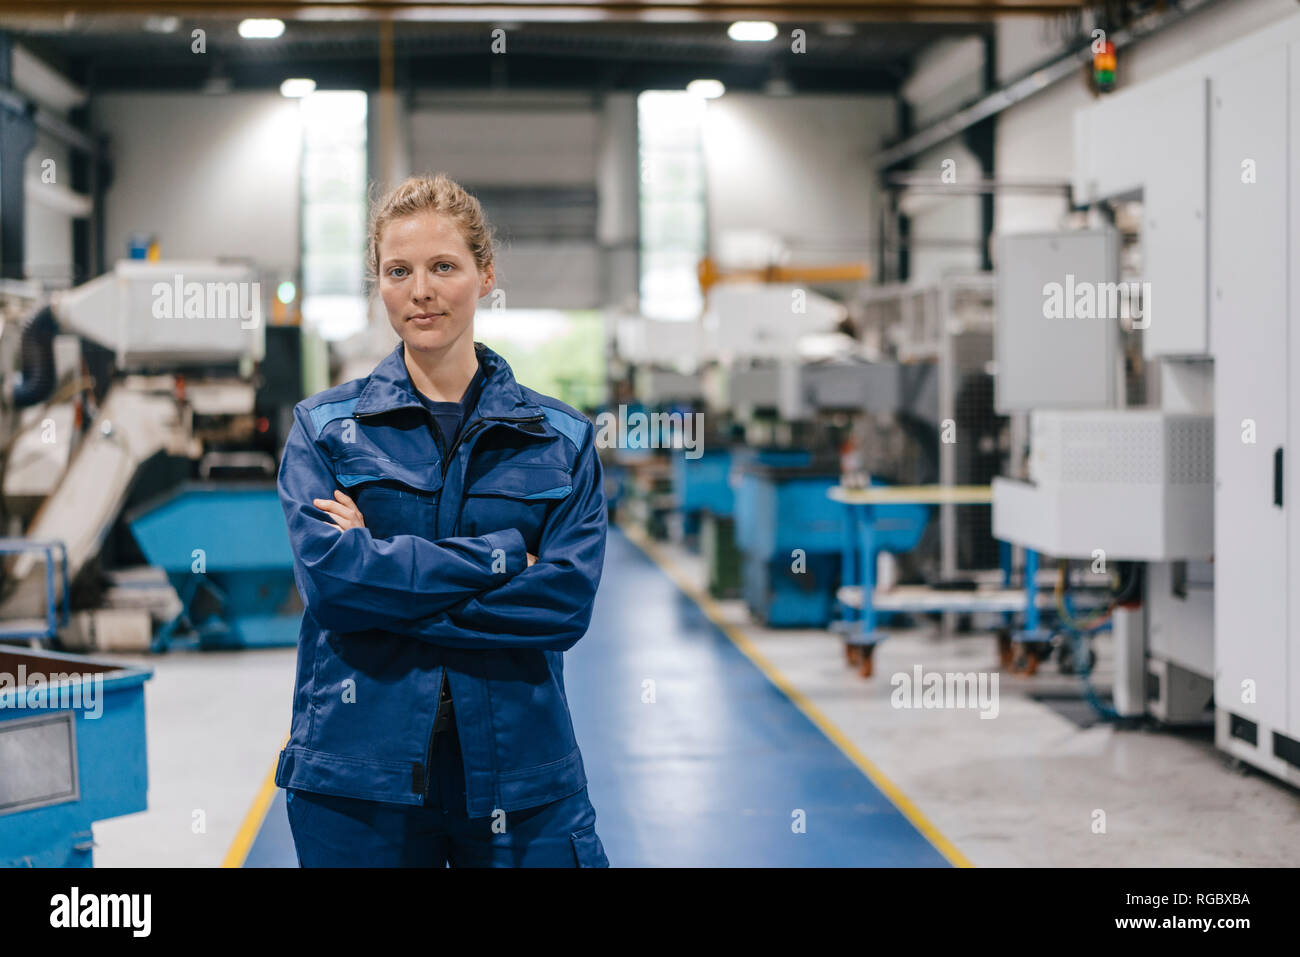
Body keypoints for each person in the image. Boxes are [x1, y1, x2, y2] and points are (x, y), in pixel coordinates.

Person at [274, 173, 609, 867]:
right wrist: (506, 559)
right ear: (379, 283)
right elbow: (335, 590)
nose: (420, 290)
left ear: (485, 275)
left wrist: (385, 576)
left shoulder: (560, 438)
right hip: (359, 779)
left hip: (522, 782)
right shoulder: (326, 431)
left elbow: (564, 604)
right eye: (399, 271)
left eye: (443, 267)